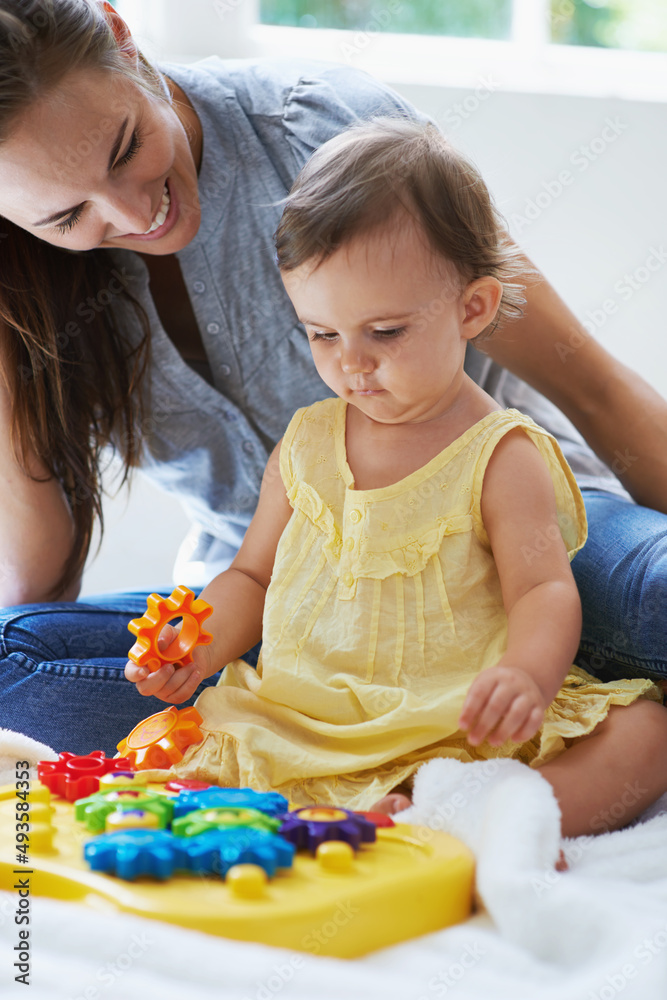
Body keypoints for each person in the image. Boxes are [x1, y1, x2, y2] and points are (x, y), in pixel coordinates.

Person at [0, 0, 666, 757]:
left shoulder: (318, 128)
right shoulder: (24, 285)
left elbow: (596, 391)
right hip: (289, 619)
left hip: (513, 548)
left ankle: (520, 696)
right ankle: (394, 745)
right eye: (65, 216)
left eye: (125, 149)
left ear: (123, 36)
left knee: (656, 594)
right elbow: (56, 573)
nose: (131, 212)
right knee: (6, 669)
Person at [124, 119, 667, 838]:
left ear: (470, 308)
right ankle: (365, 815)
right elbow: (251, 577)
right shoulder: (308, 443)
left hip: (451, 718)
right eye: (322, 333)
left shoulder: (499, 453)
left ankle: (482, 815)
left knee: (644, 734)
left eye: (383, 333)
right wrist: (195, 646)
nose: (350, 362)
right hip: (305, 718)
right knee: (171, 749)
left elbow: (540, 588)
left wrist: (526, 677)